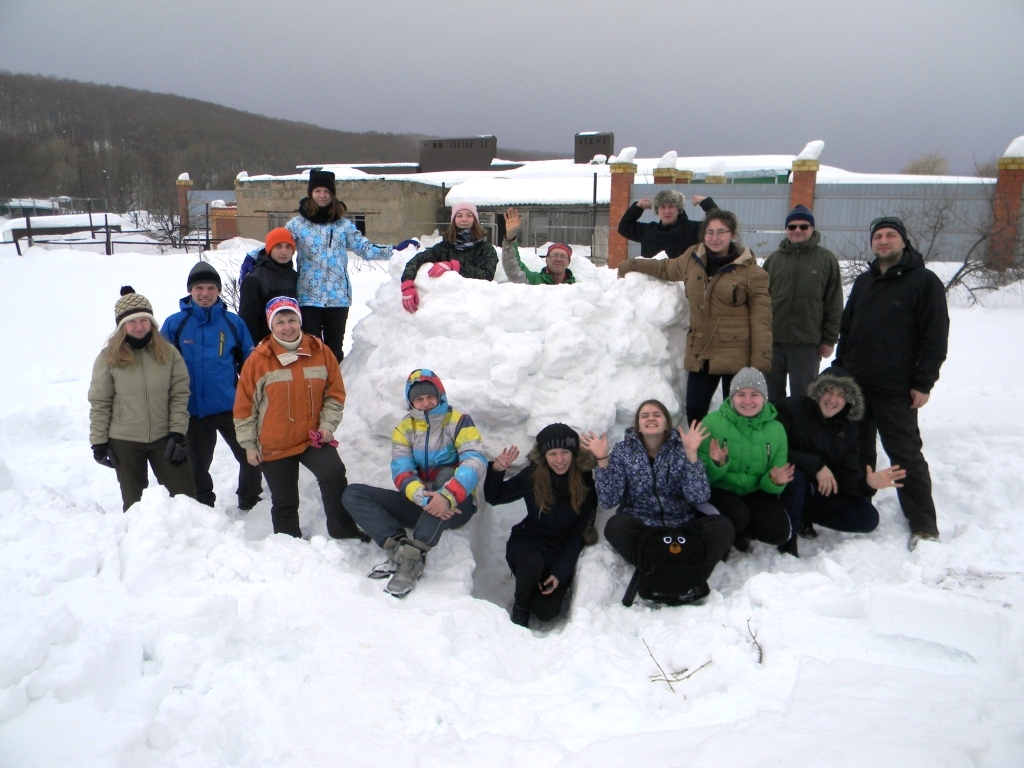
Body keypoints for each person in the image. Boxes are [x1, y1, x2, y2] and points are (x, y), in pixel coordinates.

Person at [835, 216, 949, 550]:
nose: (883, 241)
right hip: (857, 384)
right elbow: (848, 328)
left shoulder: (924, 282)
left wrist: (924, 382)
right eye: (878, 236)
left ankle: (924, 524)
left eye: (890, 236)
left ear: (903, 241)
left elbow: (935, 336)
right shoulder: (865, 282)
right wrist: (841, 368)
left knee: (904, 454)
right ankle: (859, 504)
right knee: (857, 448)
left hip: (897, 387)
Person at [617, 209, 772, 423]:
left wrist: (759, 361)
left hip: (737, 355)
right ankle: (698, 454)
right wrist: (631, 265)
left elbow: (761, 320)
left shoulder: (752, 273)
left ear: (732, 235)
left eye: (721, 232)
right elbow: (664, 268)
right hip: (702, 352)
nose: (714, 238)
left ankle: (729, 455)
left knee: (737, 415)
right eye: (709, 232)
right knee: (695, 412)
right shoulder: (692, 259)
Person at [343, 370, 487, 597]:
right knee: (353, 494)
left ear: (440, 395)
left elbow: (475, 459)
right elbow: (401, 471)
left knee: (446, 473)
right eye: (419, 399)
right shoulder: (405, 427)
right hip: (422, 502)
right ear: (411, 402)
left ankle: (415, 557)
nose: (426, 403)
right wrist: (423, 497)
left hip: (457, 504)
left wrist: (447, 496)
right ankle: (399, 549)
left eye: (430, 397)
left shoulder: (458, 421)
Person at [233, 297, 364, 540]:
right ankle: (289, 545)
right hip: (275, 442)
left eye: (292, 319)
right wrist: (249, 445)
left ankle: (343, 530)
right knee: (285, 500)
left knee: (334, 474)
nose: (287, 326)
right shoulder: (259, 360)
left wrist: (327, 427)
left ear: (300, 321)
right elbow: (244, 407)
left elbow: (334, 395)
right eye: (280, 321)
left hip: (310, 438)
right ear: (271, 325)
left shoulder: (320, 352)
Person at [582, 400, 734, 594]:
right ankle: (660, 570)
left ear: (666, 424)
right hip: (645, 531)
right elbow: (609, 500)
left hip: (682, 527)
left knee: (723, 526)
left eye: (657, 415)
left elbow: (698, 496)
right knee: (615, 527)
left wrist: (691, 454)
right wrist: (603, 460)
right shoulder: (623, 452)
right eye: (645, 416)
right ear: (638, 425)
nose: (651, 418)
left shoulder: (682, 448)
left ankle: (691, 574)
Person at [774, 367, 907, 556]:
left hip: (817, 492)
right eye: (828, 391)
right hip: (781, 486)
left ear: (848, 400)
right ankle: (787, 541)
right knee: (794, 477)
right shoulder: (790, 408)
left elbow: (847, 473)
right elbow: (776, 451)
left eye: (841, 395)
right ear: (818, 391)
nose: (833, 399)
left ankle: (804, 514)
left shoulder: (850, 429)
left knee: (867, 518)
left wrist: (866, 484)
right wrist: (817, 465)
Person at [161, 261, 262, 510]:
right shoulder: (175, 324)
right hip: (193, 411)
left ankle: (250, 501)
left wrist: (253, 399)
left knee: (250, 456)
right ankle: (204, 506)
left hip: (231, 407)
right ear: (190, 291)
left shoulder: (232, 323)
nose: (205, 293)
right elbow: (161, 366)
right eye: (198, 288)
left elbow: (250, 365)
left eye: (210, 288)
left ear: (218, 291)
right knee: (197, 465)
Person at [89, 286, 196, 511]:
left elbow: (179, 394)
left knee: (185, 499)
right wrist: (99, 441)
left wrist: (177, 433)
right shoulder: (108, 357)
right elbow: (100, 401)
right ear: (121, 326)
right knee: (134, 505)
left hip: (164, 438)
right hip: (124, 441)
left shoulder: (169, 353)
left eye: (144, 320)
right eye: (131, 322)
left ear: (152, 323)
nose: (139, 326)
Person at [486, 424, 597, 627]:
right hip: (528, 542)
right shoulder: (534, 475)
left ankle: (535, 586)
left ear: (574, 453)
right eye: (552, 453)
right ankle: (520, 608)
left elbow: (580, 533)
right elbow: (494, 497)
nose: (560, 460)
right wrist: (497, 469)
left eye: (565, 452)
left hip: (559, 552)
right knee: (531, 562)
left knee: (546, 611)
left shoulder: (585, 483)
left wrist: (560, 572)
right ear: (544, 455)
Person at [286, 169, 393, 361]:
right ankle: (313, 389)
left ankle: (335, 388)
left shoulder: (343, 225)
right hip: (308, 297)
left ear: (333, 195)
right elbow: (279, 245)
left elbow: (365, 248)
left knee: (334, 349)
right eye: (318, 191)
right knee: (310, 349)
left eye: (327, 191)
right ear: (311, 193)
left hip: (338, 298)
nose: (322, 195)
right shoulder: (297, 225)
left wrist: (395, 250)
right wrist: (258, 257)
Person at [698, 368, 793, 551]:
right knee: (737, 515)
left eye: (754, 395)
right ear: (732, 396)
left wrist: (774, 481)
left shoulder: (776, 430)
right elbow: (699, 477)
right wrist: (718, 464)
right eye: (741, 394)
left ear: (764, 398)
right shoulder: (711, 423)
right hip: (719, 490)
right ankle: (726, 530)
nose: (748, 401)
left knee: (778, 532)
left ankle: (741, 528)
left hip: (753, 490)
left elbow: (771, 480)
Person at [762, 205, 843, 401]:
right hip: (773, 341)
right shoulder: (773, 260)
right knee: (772, 396)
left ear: (812, 229)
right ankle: (778, 431)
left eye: (803, 226)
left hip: (807, 342)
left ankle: (801, 431)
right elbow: (761, 301)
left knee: (804, 396)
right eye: (792, 226)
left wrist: (829, 339)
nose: (797, 230)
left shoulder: (826, 260)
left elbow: (834, 302)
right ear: (786, 229)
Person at [400, 202, 498, 313]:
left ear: (475, 220)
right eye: (459, 215)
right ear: (454, 220)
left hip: (474, 310)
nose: (464, 219)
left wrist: (455, 266)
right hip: (445, 310)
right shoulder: (444, 247)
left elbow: (487, 275)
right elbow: (417, 260)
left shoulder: (485, 249)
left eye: (469, 215)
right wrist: (407, 284)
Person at [616, 189, 717, 259]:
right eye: (663, 207)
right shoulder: (648, 231)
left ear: (679, 209)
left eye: (671, 206)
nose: (667, 211)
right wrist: (638, 207)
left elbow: (717, 226)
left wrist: (706, 202)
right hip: (653, 287)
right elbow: (624, 228)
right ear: (657, 210)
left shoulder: (693, 229)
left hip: (681, 286)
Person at [238, 227, 298, 344]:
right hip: (264, 348)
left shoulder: (295, 277)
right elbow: (247, 321)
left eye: (288, 247)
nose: (284, 252)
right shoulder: (255, 279)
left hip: (291, 346)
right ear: (269, 249)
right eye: (278, 246)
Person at [500, 207, 576, 285]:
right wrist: (510, 238)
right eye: (555, 255)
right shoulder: (534, 281)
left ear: (568, 262)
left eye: (563, 256)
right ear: (546, 259)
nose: (558, 259)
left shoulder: (577, 288)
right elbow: (514, 270)